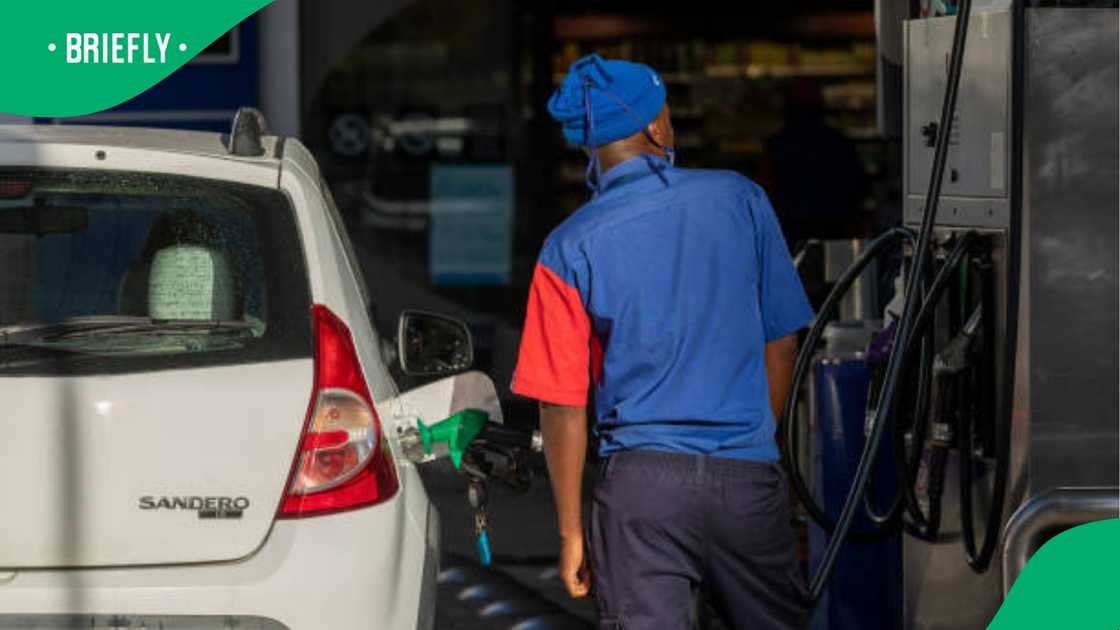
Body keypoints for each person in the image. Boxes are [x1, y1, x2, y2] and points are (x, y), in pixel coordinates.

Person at [511, 53, 814, 629]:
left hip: (640, 493)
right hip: (746, 479)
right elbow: (783, 344)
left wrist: (572, 532)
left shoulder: (567, 247)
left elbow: (562, 404)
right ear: (656, 127)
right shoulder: (740, 200)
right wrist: (755, 447)